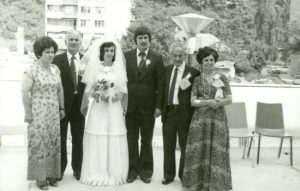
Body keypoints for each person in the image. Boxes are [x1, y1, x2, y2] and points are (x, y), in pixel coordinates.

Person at [182, 47, 233, 191]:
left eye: (211, 60)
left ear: (215, 61)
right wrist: (207, 102)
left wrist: (217, 103)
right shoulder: (197, 80)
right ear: (201, 62)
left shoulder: (222, 78)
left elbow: (229, 99)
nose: (209, 63)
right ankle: (197, 183)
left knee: (217, 150)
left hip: (218, 120)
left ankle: (216, 184)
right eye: (206, 60)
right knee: (199, 150)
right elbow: (193, 101)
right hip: (200, 120)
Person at [79, 39, 128, 186]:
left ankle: (113, 173)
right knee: (98, 136)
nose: (109, 53)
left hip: (114, 108)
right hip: (99, 108)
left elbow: (123, 92)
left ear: (115, 53)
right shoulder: (96, 68)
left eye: (111, 51)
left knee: (113, 136)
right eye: (106, 50)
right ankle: (97, 172)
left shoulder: (118, 69)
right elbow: (89, 91)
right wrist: (98, 94)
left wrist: (113, 97)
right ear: (102, 52)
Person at [21, 36, 65, 190]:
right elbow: (24, 92)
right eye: (47, 52)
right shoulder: (31, 69)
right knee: (39, 144)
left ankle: (51, 175)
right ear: (39, 53)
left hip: (53, 113)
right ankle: (40, 178)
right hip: (37, 113)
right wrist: (27, 113)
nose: (51, 55)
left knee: (53, 142)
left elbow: (60, 89)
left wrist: (62, 108)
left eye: (52, 52)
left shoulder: (55, 69)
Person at [125, 26, 164, 184]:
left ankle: (146, 171)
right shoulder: (126, 56)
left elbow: (161, 84)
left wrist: (158, 106)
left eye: (145, 38)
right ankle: (132, 170)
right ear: (136, 40)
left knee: (146, 140)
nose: (142, 40)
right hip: (130, 106)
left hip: (149, 107)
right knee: (131, 139)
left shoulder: (157, 58)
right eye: (140, 37)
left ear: (149, 40)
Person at [161, 41, 200, 185]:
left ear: (184, 55)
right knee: (168, 145)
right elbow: (162, 92)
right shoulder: (166, 70)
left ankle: (184, 175)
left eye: (180, 55)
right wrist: (159, 108)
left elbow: (197, 93)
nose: (177, 58)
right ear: (171, 55)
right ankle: (168, 175)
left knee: (185, 146)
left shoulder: (193, 72)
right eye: (175, 55)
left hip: (185, 114)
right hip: (169, 112)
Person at [53, 30, 85, 181]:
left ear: (81, 42)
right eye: (70, 39)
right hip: (62, 106)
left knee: (78, 139)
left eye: (76, 40)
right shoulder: (56, 59)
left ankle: (78, 169)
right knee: (61, 138)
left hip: (80, 107)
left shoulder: (87, 60)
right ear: (65, 42)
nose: (73, 42)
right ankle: (59, 169)